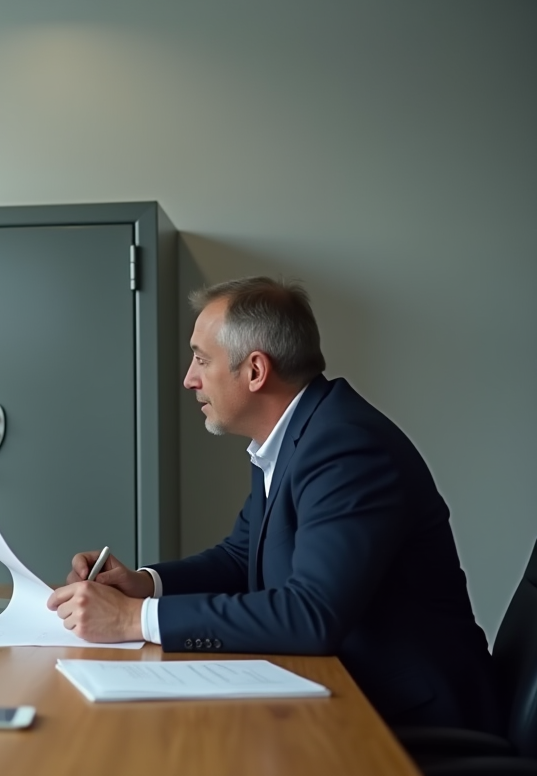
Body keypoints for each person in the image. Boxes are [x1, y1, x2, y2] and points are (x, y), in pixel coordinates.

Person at [49, 276, 502, 732]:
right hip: (350, 691)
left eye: (202, 360)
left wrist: (134, 619)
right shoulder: (298, 435)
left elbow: (312, 614)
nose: (189, 378)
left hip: (412, 718)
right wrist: (144, 585)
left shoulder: (345, 448)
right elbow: (242, 556)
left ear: (255, 371)